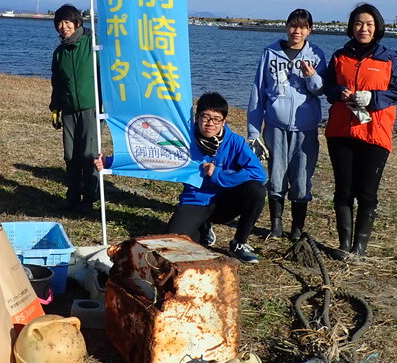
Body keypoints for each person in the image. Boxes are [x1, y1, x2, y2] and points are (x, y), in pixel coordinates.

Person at [94, 92, 268, 263]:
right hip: (196, 200)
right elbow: (152, 154)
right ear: (197, 117)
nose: (210, 123)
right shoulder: (184, 137)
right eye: (205, 117)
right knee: (173, 245)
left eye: (216, 119)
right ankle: (203, 226)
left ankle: (239, 244)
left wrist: (219, 175)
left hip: (225, 201)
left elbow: (259, 173)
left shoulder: (235, 142)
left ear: (223, 121)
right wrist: (109, 162)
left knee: (256, 190)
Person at [322, 3, 397, 258]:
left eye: (369, 24)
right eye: (359, 23)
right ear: (352, 26)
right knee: (344, 190)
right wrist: (341, 92)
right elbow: (328, 88)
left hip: (375, 132)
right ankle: (343, 245)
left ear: (377, 27)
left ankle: (359, 249)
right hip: (341, 131)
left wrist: (372, 98)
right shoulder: (340, 55)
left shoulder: (389, 57)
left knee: (367, 192)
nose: (364, 28)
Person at [247, 8, 327, 241]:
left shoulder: (317, 55)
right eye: (293, 25)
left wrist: (311, 75)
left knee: (302, 177)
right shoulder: (270, 53)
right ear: (286, 27)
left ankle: (297, 229)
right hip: (275, 125)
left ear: (309, 30)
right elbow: (257, 93)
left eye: (303, 27)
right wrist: (254, 131)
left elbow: (321, 90)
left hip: (306, 127)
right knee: (276, 175)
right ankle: (276, 225)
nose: (297, 31)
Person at [49, 4, 98, 213]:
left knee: (89, 155)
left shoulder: (92, 44)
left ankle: (89, 198)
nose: (63, 26)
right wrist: (55, 108)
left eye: (67, 22)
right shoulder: (59, 53)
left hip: (91, 107)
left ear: (77, 23)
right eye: (59, 23)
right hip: (69, 109)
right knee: (71, 155)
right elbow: (57, 82)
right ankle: (73, 195)